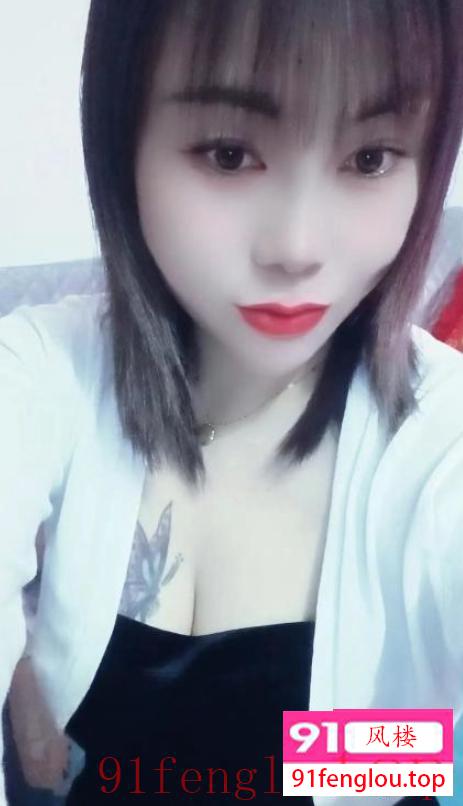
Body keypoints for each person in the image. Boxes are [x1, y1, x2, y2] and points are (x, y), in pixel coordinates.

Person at [1, 1, 463, 803]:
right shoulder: (50, 368)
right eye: (228, 154)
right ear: (123, 139)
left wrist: (363, 760)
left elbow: (419, 751)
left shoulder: (435, 442)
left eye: (369, 159)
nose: (297, 248)